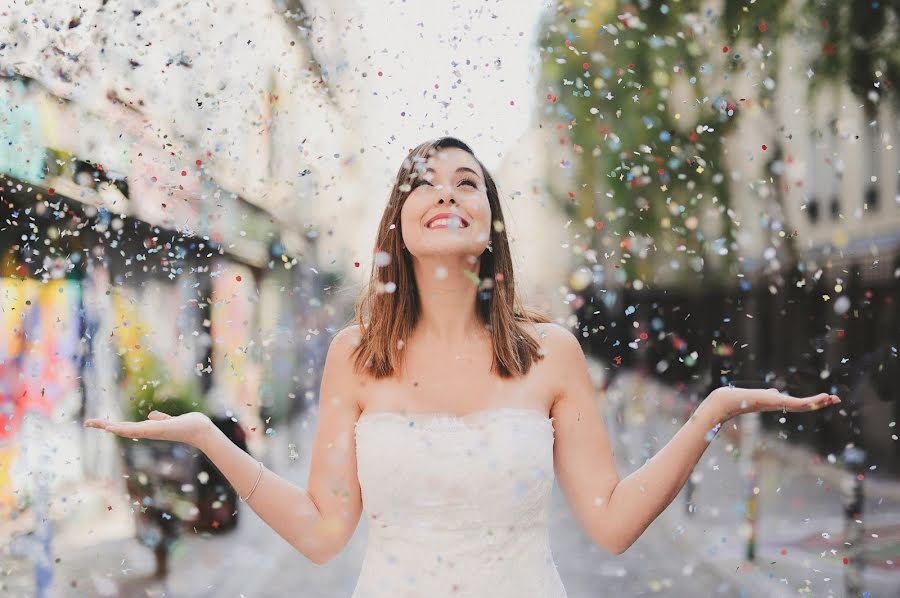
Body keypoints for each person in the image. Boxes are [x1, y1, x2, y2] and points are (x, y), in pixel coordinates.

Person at [84, 136, 843, 597]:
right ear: (399, 223)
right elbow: (322, 533)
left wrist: (709, 413)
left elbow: (610, 523)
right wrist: (212, 440)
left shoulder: (552, 354)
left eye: (466, 182)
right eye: (424, 181)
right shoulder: (354, 356)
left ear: (490, 226)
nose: (444, 191)